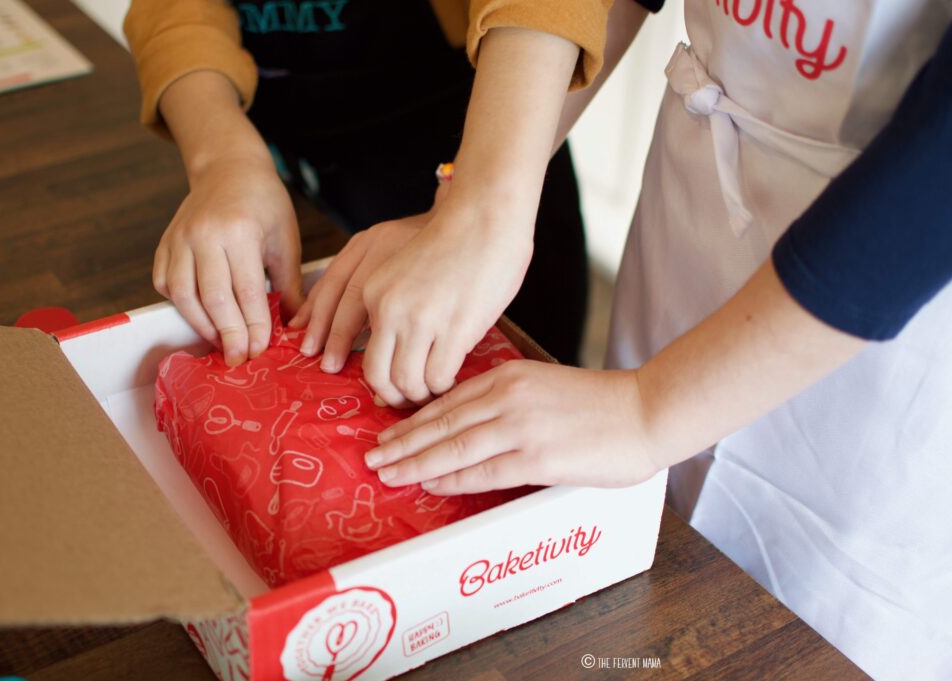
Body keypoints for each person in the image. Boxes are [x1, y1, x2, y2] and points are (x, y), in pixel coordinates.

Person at [303, 1, 952, 678]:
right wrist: (475, 202)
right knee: (627, 624)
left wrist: (649, 410)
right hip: (697, 197)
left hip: (894, 299)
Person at [123, 0, 619, 368]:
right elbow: (175, 12)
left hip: (493, 148)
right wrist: (223, 159)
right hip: (298, 178)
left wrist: (477, 199)